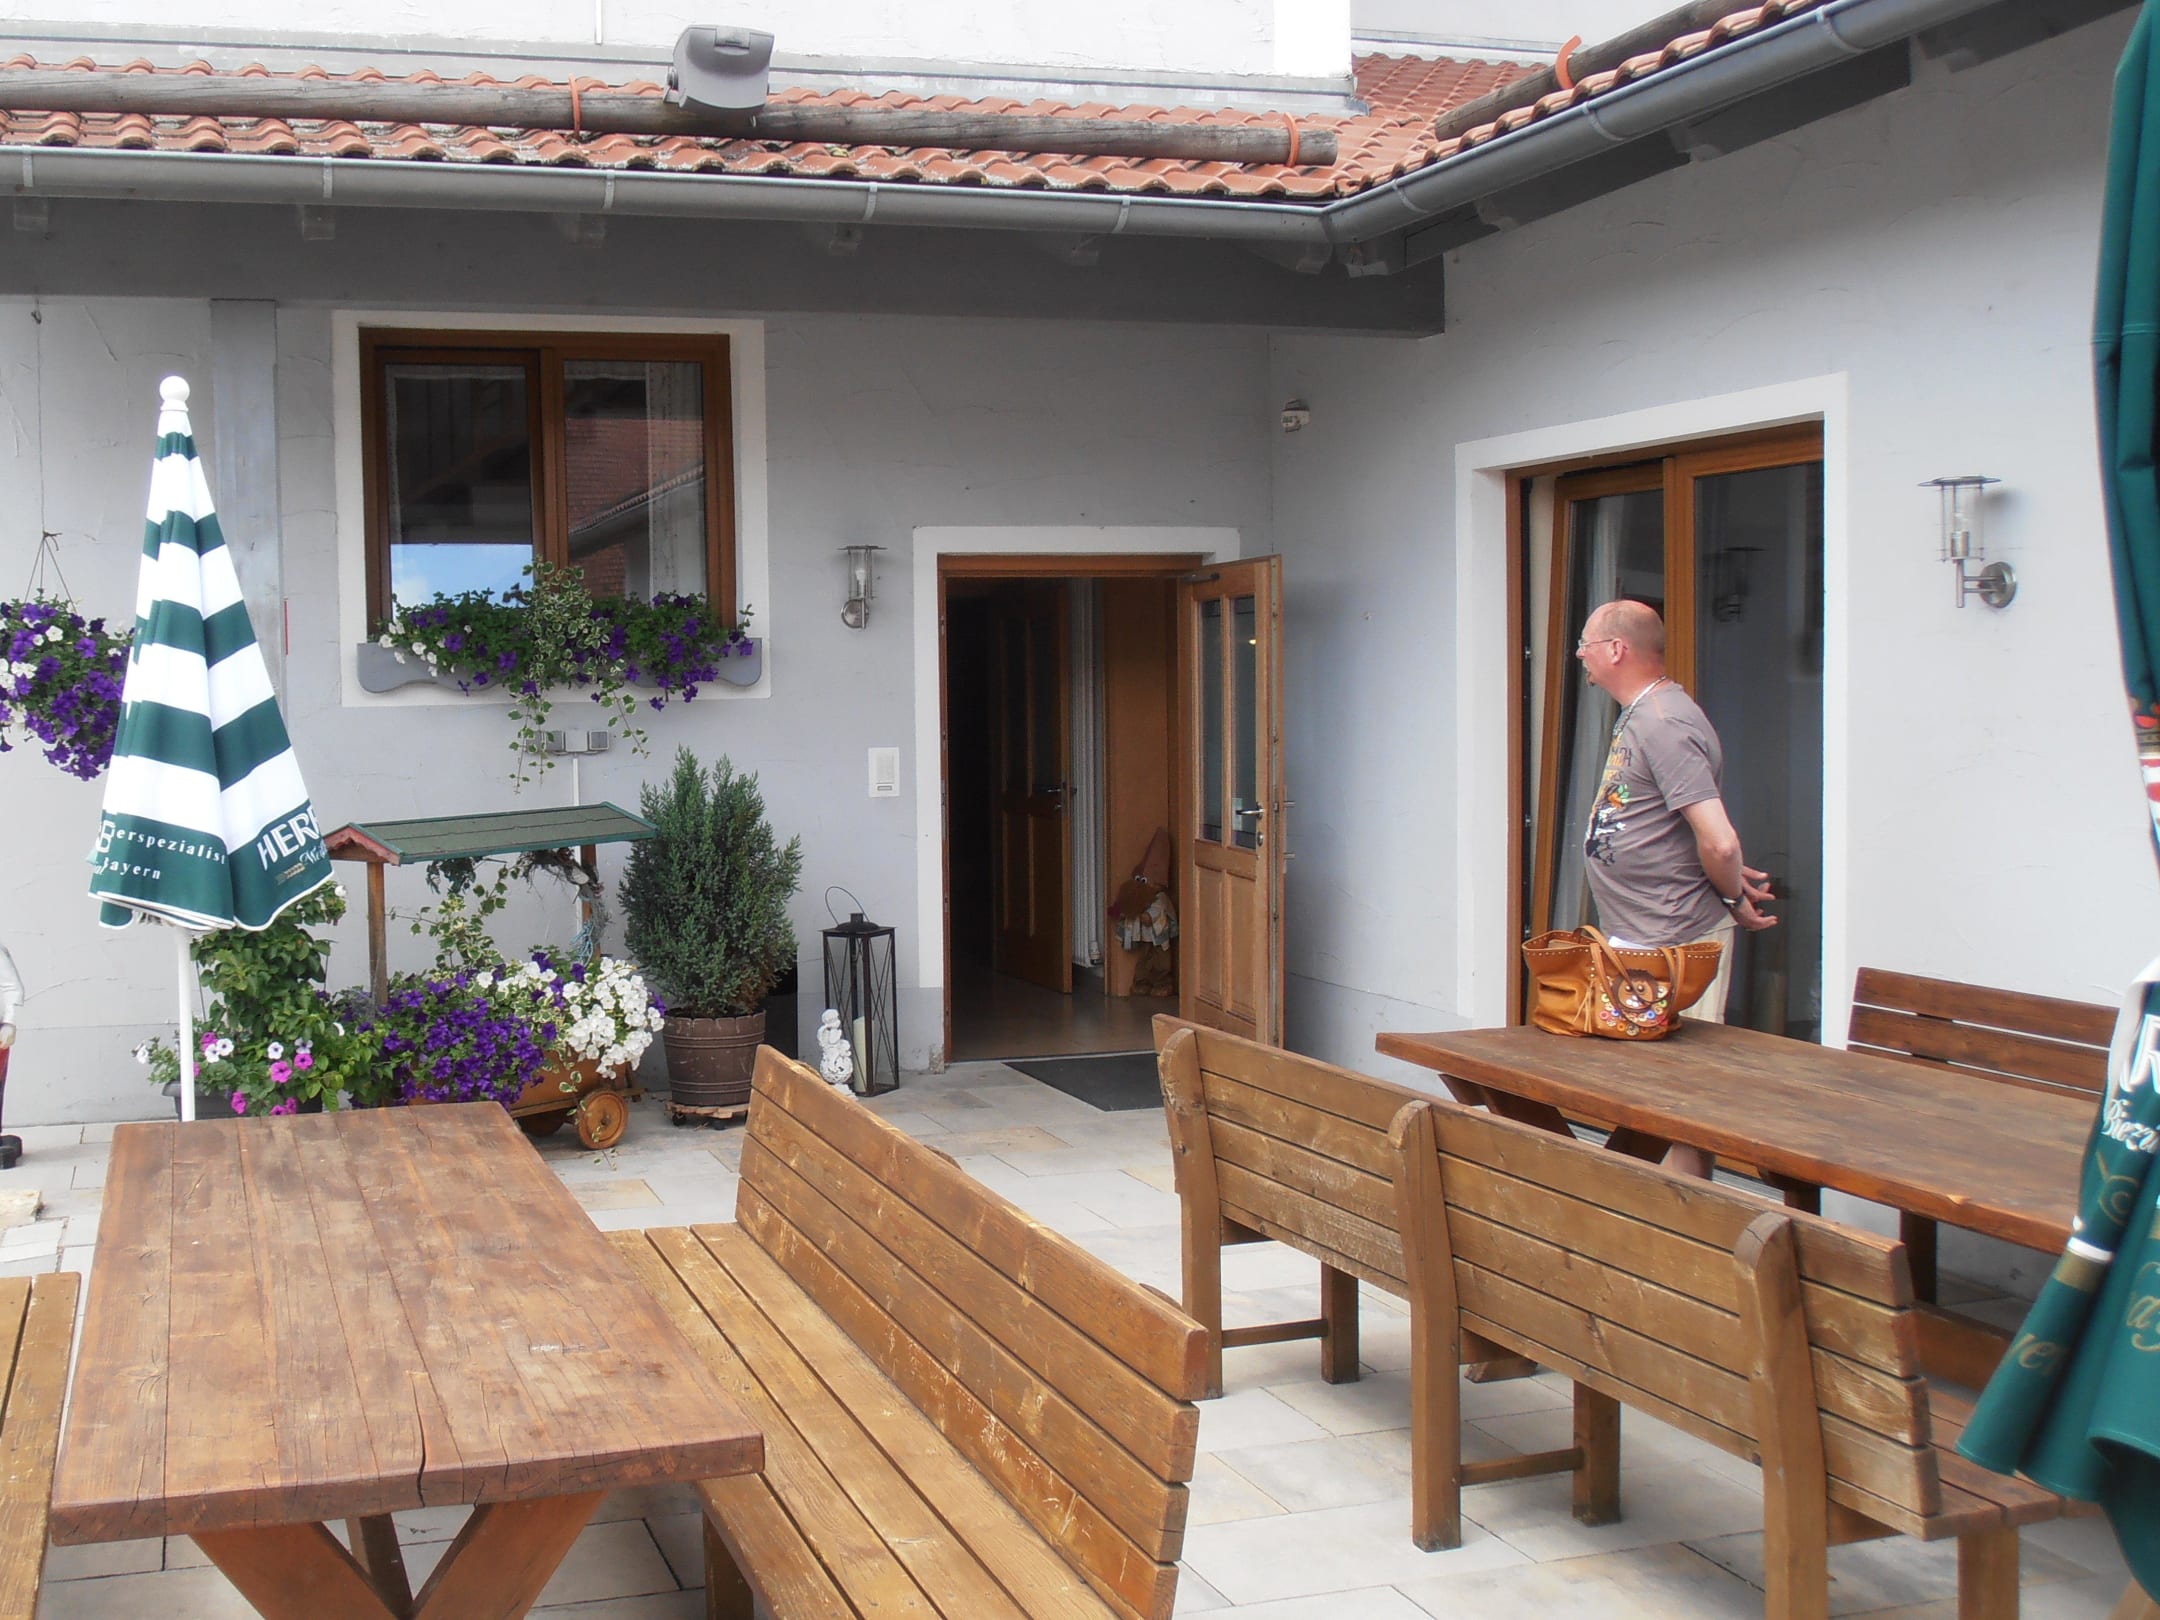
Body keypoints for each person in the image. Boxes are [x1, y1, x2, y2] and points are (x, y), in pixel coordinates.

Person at [1575, 599, 1774, 1175]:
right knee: (1648, 1095)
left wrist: (1731, 894)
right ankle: (1653, 1209)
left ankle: (1687, 1211)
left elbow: (1720, 841)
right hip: (1644, 932)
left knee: (1682, 1100)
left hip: (1675, 938)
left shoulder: (1664, 722)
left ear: (1617, 649)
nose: (1580, 655)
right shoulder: (1643, 714)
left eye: (1586, 644)